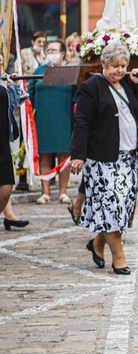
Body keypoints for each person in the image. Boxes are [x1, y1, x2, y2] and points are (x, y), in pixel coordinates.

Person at [69, 43, 138, 275]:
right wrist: (78, 155)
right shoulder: (91, 86)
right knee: (111, 207)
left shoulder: (129, 83)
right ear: (103, 64)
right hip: (102, 159)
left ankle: (97, 243)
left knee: (123, 208)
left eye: (123, 66)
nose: (119, 70)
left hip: (128, 159)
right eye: (115, 66)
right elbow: (82, 122)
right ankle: (119, 257)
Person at [28, 39, 76, 205]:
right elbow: (31, 94)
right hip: (43, 117)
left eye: (54, 50)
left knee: (64, 154)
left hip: (64, 116)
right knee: (45, 154)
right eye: (48, 50)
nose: (50, 53)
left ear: (62, 53)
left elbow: (76, 95)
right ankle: (45, 192)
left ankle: (63, 192)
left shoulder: (70, 71)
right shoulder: (38, 70)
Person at [0, 55, 28, 230]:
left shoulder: (3, 83)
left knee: (6, 186)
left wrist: (12, 87)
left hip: (2, 141)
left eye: (1, 63)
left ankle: (7, 213)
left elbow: (14, 105)